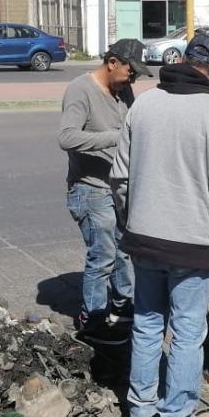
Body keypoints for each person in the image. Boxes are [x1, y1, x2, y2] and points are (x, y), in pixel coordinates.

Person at [110, 33, 209, 417]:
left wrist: (132, 220)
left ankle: (140, 409)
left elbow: (119, 178)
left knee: (148, 324)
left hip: (144, 240)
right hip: (194, 245)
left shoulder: (145, 104)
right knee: (188, 332)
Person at [59, 38, 153, 337]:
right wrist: (113, 137)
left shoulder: (123, 89)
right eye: (130, 70)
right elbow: (67, 137)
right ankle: (93, 319)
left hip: (119, 186)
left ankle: (122, 306)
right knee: (103, 257)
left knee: (125, 250)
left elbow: (133, 126)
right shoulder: (80, 89)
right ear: (112, 62)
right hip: (90, 188)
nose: (133, 78)